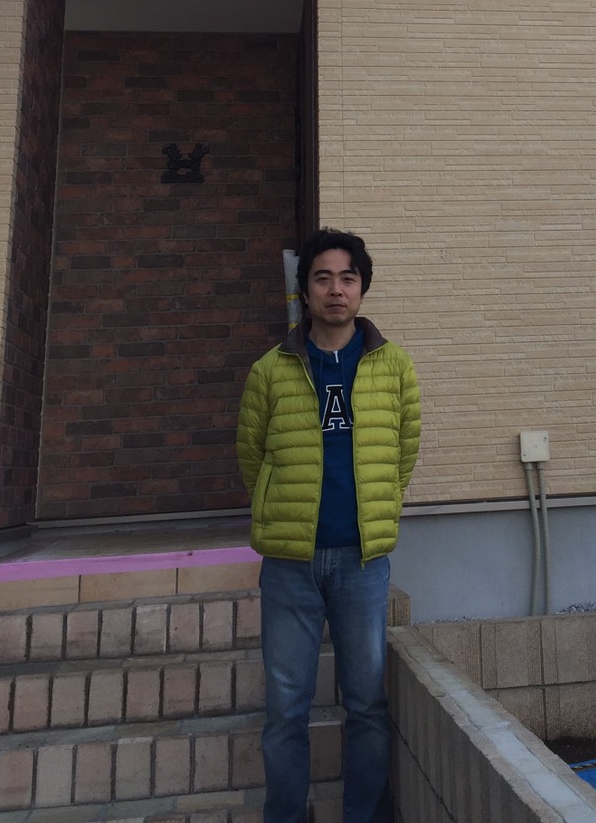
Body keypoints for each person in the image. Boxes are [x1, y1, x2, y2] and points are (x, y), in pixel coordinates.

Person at [237, 228, 421, 823]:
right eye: (323, 278)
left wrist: (383, 507)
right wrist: (276, 509)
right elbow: (251, 454)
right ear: (306, 289)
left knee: (366, 703)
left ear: (362, 288)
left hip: (362, 562)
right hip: (289, 563)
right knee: (285, 708)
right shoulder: (271, 370)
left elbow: (405, 448)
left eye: (347, 278)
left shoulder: (394, 366)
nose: (336, 290)